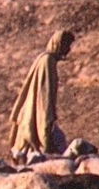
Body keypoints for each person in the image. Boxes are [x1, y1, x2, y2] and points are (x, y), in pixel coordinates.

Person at [8, 29, 74, 159]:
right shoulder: (47, 61)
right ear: (59, 44)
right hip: (38, 115)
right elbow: (45, 95)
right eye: (67, 45)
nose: (68, 50)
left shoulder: (44, 58)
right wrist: (47, 119)